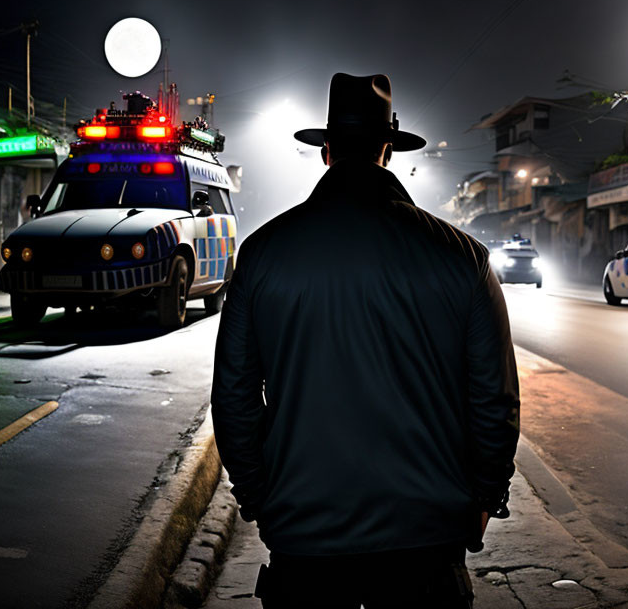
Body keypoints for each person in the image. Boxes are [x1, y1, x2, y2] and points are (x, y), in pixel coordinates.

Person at [211, 73, 520, 608]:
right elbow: (494, 400)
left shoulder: (262, 255)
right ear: (389, 152)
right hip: (427, 542)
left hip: (304, 543)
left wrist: (261, 499)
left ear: (326, 151)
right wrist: (484, 497)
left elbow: (235, 397)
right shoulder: (463, 257)